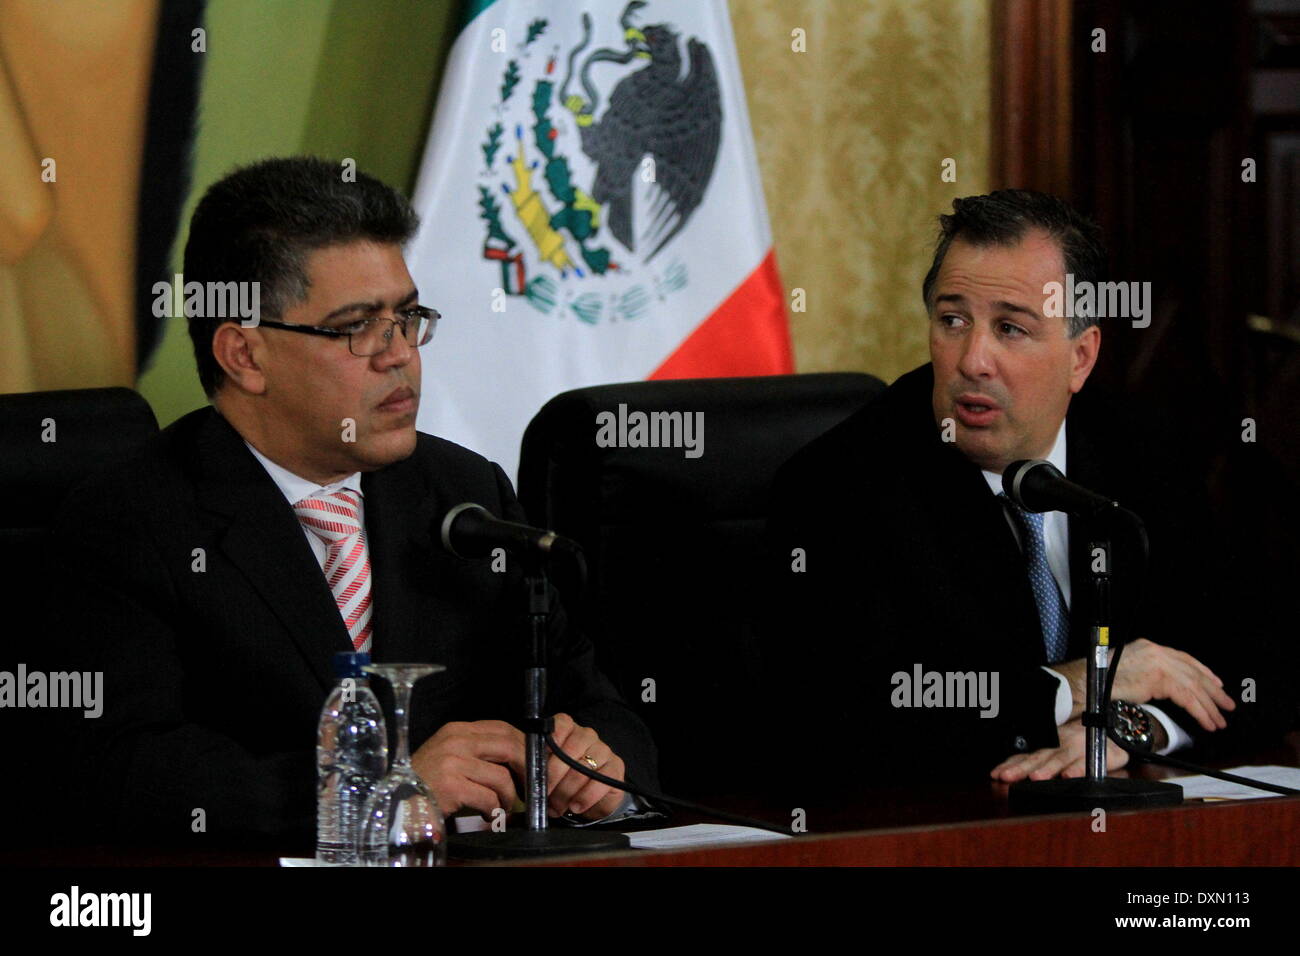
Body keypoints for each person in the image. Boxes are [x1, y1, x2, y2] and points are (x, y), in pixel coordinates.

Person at [51, 157, 656, 848]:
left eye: (407, 316)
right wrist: (377, 794)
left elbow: (599, 709)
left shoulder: (465, 496)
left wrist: (603, 768)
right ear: (245, 354)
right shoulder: (131, 522)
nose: (398, 355)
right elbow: (120, 777)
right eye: (356, 327)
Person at [766, 190, 1287, 789]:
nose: (973, 360)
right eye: (952, 320)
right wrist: (1079, 687)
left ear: (1081, 357)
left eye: (1011, 328)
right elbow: (850, 713)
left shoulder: (1147, 456)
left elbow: (1261, 666)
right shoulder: (838, 486)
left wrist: (1126, 726)